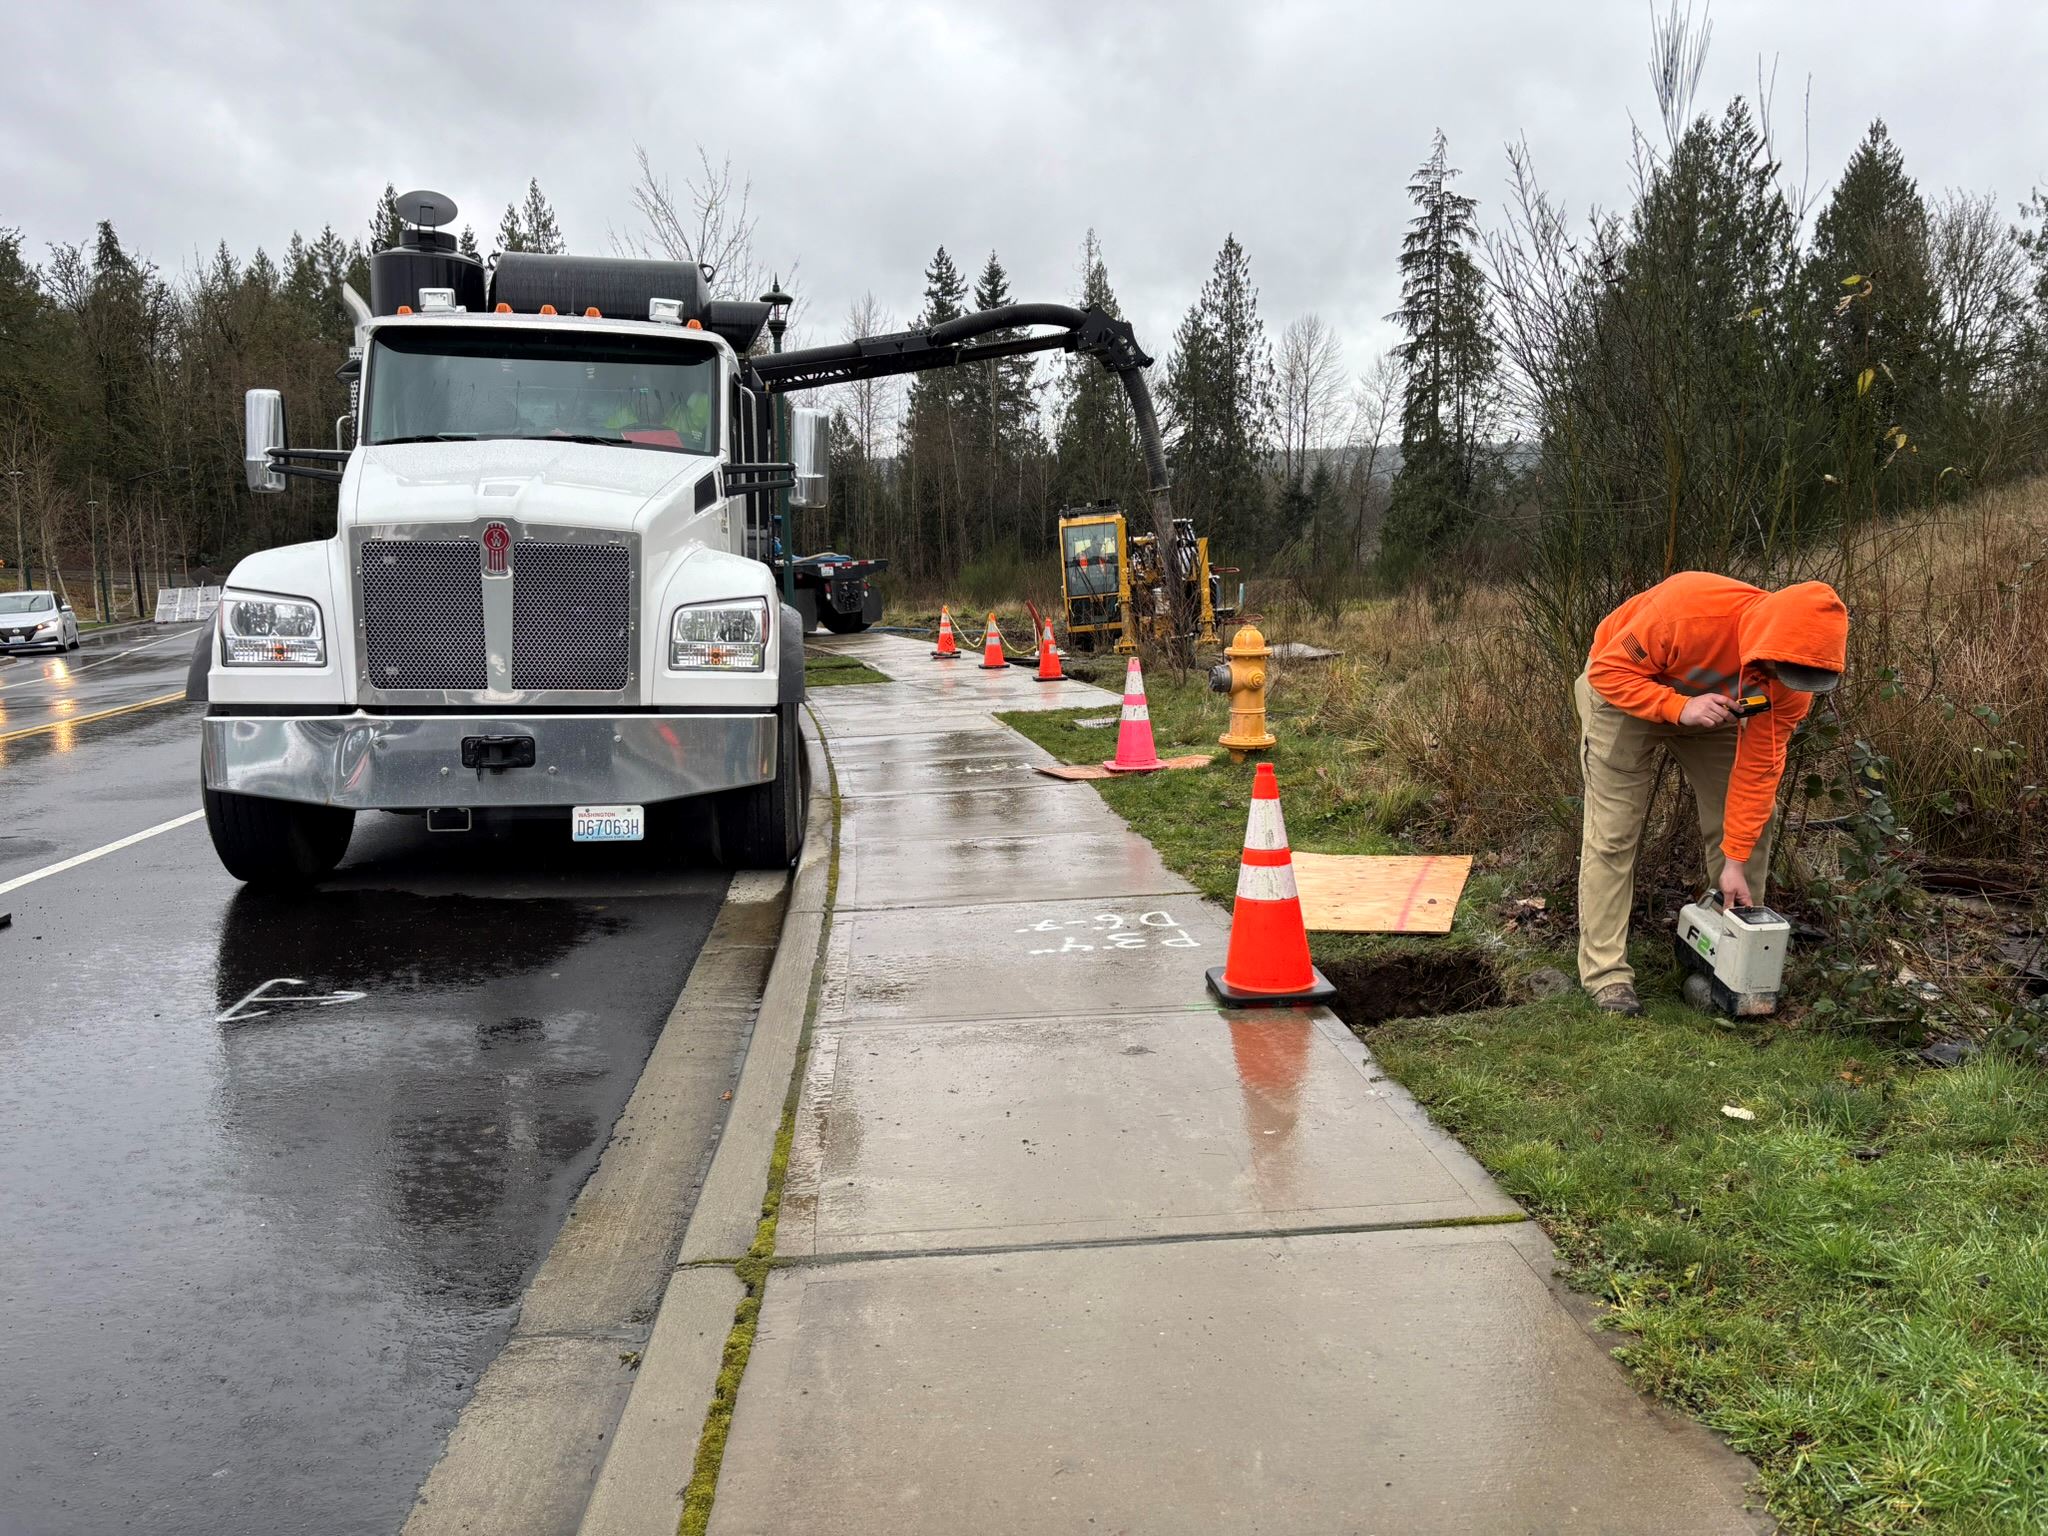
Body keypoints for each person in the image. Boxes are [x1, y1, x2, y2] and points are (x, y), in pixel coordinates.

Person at [1575, 572, 1849, 1016]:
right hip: (1624, 690)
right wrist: (1679, 707)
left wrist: (1734, 860)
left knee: (1752, 826)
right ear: (1765, 639)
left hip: (1716, 707)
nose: (1784, 681)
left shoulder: (1794, 681)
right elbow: (1608, 669)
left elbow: (1759, 770)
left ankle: (1733, 963)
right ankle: (1607, 976)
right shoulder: (1688, 610)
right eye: (1778, 670)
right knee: (1613, 834)